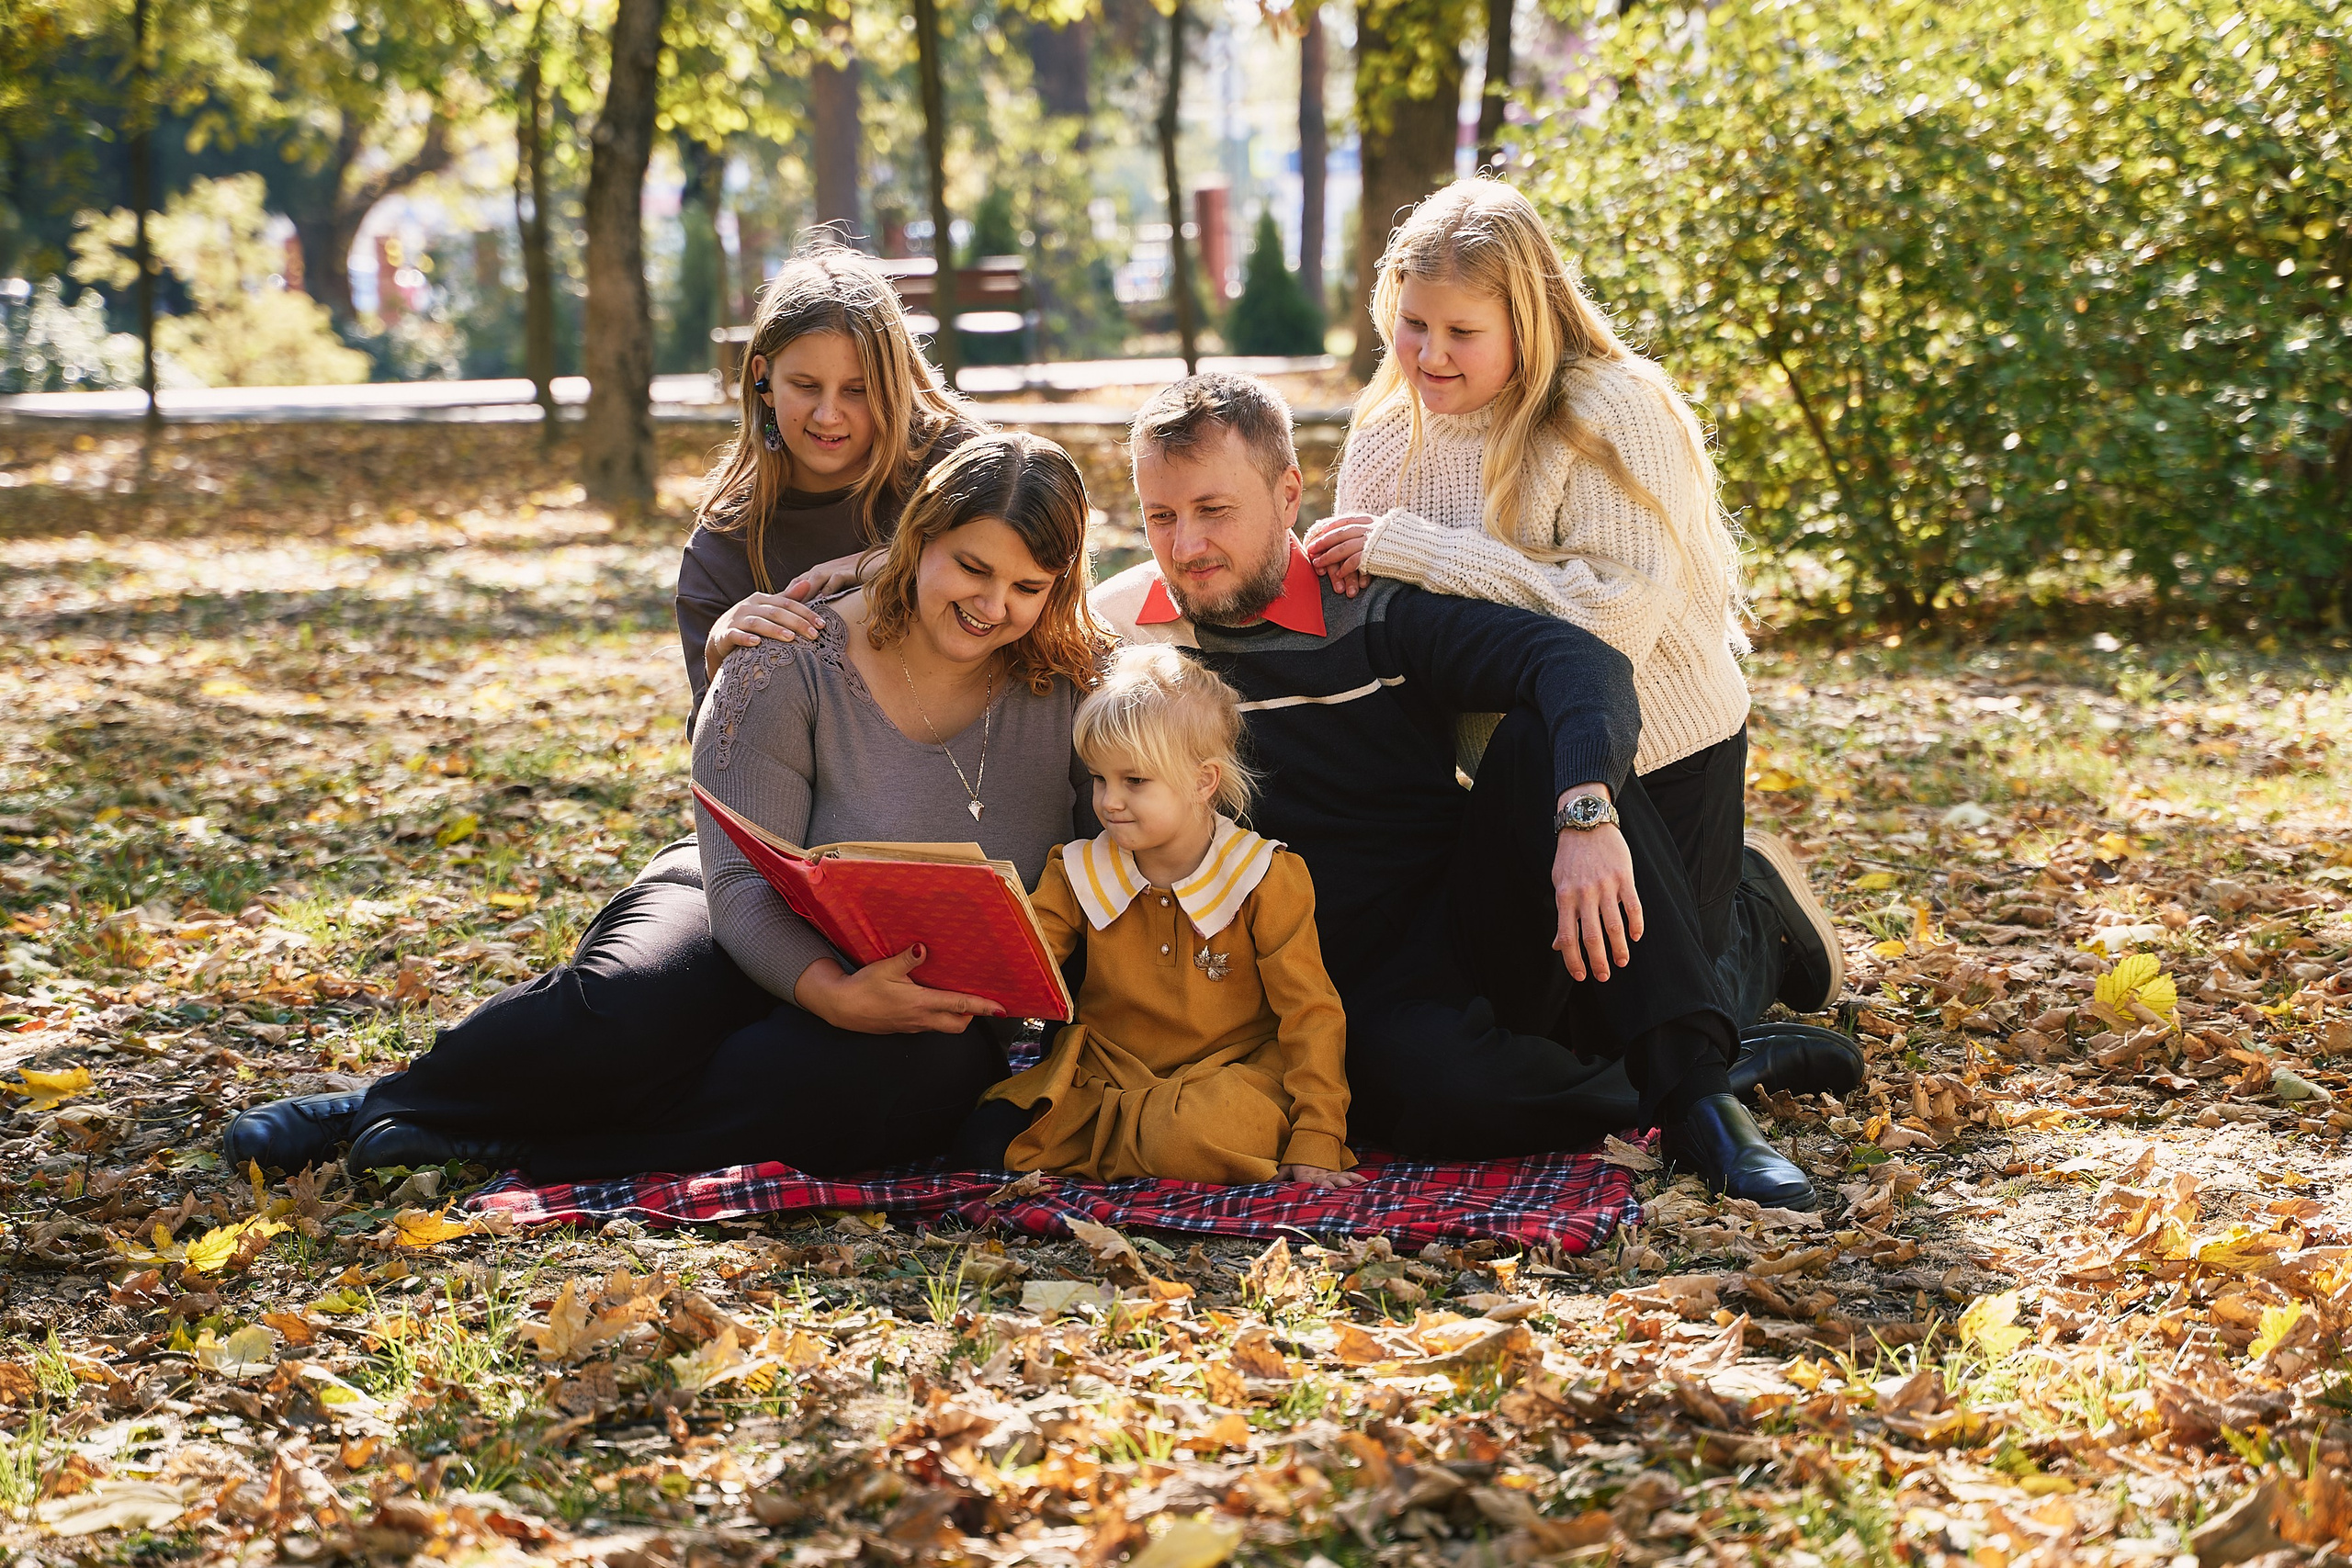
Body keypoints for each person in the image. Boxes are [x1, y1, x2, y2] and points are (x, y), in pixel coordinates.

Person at [226, 433, 1110, 1179]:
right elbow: (740, 886)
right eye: (970, 567)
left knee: (890, 1084)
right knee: (636, 1005)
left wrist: (867, 1008)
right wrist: (831, 993)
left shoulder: (1077, 688)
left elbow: (1156, 635)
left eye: (1028, 587)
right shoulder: (792, 656)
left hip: (920, 993)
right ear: (917, 541)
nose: (992, 605)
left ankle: (539, 1149)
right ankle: (384, 1105)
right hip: (732, 913)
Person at [1095, 373, 1857, 1209]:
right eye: (1160, 516)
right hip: (1337, 984)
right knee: (1434, 1099)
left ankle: (1702, 1101)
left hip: (1468, 925)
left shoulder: (1373, 611)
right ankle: (1731, 1051)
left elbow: (1580, 660)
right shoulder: (1130, 643)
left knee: (1540, 738)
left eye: (1214, 510)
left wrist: (1586, 814)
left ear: (1287, 496)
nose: (1187, 545)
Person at [1303, 180, 1841, 1028]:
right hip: (1513, 764)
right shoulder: (1386, 433)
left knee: (1657, 1019)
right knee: (1540, 1019)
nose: (1430, 355)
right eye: (1412, 324)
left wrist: (1417, 549)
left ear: (1528, 319)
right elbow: (1370, 617)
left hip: (1661, 749)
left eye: (1463, 332)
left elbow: (1610, 625)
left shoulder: (1606, 413)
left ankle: (1756, 916)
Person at [958, 645, 1360, 1188]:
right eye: (1099, 779)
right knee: (984, 1139)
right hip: (1105, 1075)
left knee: (1191, 1135)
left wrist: (1318, 1133)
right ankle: (1134, 1147)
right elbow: (1022, 959)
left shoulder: (1263, 875)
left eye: (1135, 781)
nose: (1109, 802)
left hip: (1227, 1074)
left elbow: (1311, 1013)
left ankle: (1127, 1151)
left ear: (1203, 781)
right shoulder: (1077, 870)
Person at [680, 237, 983, 727]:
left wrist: (892, 562)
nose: (828, 415)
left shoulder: (960, 468)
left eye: (857, 390)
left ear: (893, 383)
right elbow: (715, 749)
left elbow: (1043, 587)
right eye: (805, 386)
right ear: (763, 379)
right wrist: (719, 654)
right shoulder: (724, 546)